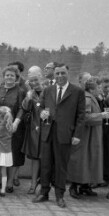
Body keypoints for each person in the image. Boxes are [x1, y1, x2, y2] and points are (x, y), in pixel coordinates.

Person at [33, 63, 85, 208]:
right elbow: (41, 106)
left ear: (68, 73)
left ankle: (60, 195)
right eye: (57, 74)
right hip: (48, 131)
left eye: (63, 73)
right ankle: (44, 192)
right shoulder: (48, 90)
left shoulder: (77, 91)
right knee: (45, 164)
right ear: (54, 75)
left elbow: (81, 116)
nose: (60, 76)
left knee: (61, 165)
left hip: (65, 133)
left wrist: (77, 135)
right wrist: (41, 112)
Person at [67, 81, 109, 198]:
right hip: (86, 135)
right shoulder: (87, 98)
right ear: (92, 88)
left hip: (92, 134)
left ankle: (85, 186)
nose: (101, 89)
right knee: (82, 160)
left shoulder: (92, 97)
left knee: (89, 160)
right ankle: (74, 186)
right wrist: (101, 115)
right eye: (99, 87)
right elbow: (84, 117)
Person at [0, 66, 25, 193]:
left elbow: (22, 108)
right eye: (7, 75)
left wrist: (16, 122)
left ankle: (10, 182)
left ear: (16, 77)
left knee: (13, 154)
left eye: (12, 75)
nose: (9, 77)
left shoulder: (20, 91)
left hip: (13, 128)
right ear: (4, 76)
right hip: (0, 127)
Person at [21, 66, 44, 194]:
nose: (34, 83)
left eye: (36, 80)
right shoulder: (31, 93)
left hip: (47, 128)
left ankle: (44, 183)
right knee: (35, 157)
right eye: (31, 81)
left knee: (46, 158)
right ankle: (33, 183)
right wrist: (28, 97)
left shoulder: (49, 91)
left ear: (41, 77)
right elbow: (24, 107)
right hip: (35, 129)